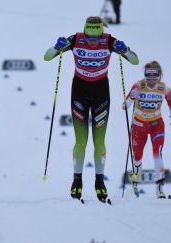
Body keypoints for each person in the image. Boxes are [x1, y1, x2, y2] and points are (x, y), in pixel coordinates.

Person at [44, 16, 139, 202]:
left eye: (96, 38)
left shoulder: (109, 40)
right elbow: (47, 57)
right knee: (80, 141)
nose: (93, 42)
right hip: (79, 91)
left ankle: (99, 182)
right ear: (85, 32)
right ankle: (77, 180)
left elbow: (134, 61)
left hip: (101, 93)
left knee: (99, 142)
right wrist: (57, 46)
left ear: (102, 33)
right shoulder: (76, 39)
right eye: (90, 38)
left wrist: (125, 50)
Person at [123, 61, 171, 198]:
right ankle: (135, 181)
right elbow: (124, 106)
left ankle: (160, 188)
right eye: (148, 78)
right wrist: (132, 97)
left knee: (158, 153)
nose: (151, 81)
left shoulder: (164, 88)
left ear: (159, 76)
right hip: (139, 125)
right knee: (137, 156)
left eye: (154, 78)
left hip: (156, 125)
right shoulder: (138, 85)